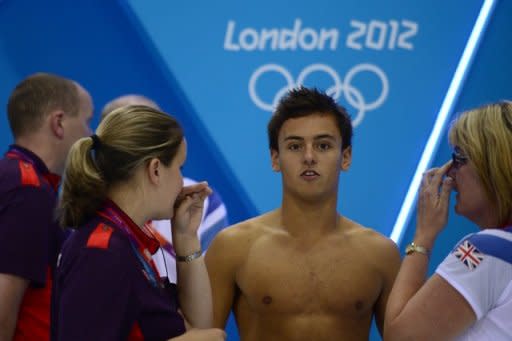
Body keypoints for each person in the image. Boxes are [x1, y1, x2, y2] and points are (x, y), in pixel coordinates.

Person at [205, 87, 400, 340]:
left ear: (346, 157)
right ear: (275, 158)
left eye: (323, 145)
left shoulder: (380, 254)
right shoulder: (232, 247)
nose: (309, 157)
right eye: (295, 146)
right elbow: (199, 336)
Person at [52, 105, 225, 340]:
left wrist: (186, 238)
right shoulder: (100, 252)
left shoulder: (127, 239)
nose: (182, 181)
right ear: (155, 170)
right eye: (179, 167)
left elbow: (198, 325)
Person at [384, 101, 512, 340]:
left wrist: (423, 236)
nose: (450, 175)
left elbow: (401, 338)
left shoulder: (488, 250)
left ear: (493, 164)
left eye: (459, 159)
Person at [0, 73, 93, 341]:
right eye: (86, 122)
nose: (89, 135)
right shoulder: (27, 191)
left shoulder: (16, 178)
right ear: (59, 123)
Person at [101, 94, 229, 283]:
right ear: (155, 169)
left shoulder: (203, 204)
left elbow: (212, 298)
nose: (181, 183)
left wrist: (187, 244)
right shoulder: (86, 213)